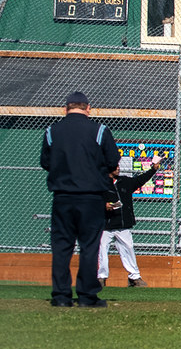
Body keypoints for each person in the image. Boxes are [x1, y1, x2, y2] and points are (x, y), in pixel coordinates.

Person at [40, 91, 120, 308]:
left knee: (62, 247)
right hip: (91, 197)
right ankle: (86, 296)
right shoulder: (100, 131)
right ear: (88, 108)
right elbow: (113, 160)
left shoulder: (52, 131)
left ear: (65, 109)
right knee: (89, 247)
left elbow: (45, 162)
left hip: (62, 197)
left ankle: (61, 296)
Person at [98, 153, 164, 287]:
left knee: (128, 248)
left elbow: (140, 180)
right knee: (102, 249)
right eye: (114, 167)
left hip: (123, 224)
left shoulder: (125, 181)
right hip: (106, 224)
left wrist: (153, 169)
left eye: (118, 166)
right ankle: (101, 277)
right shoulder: (100, 183)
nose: (118, 168)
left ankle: (134, 277)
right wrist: (103, 205)